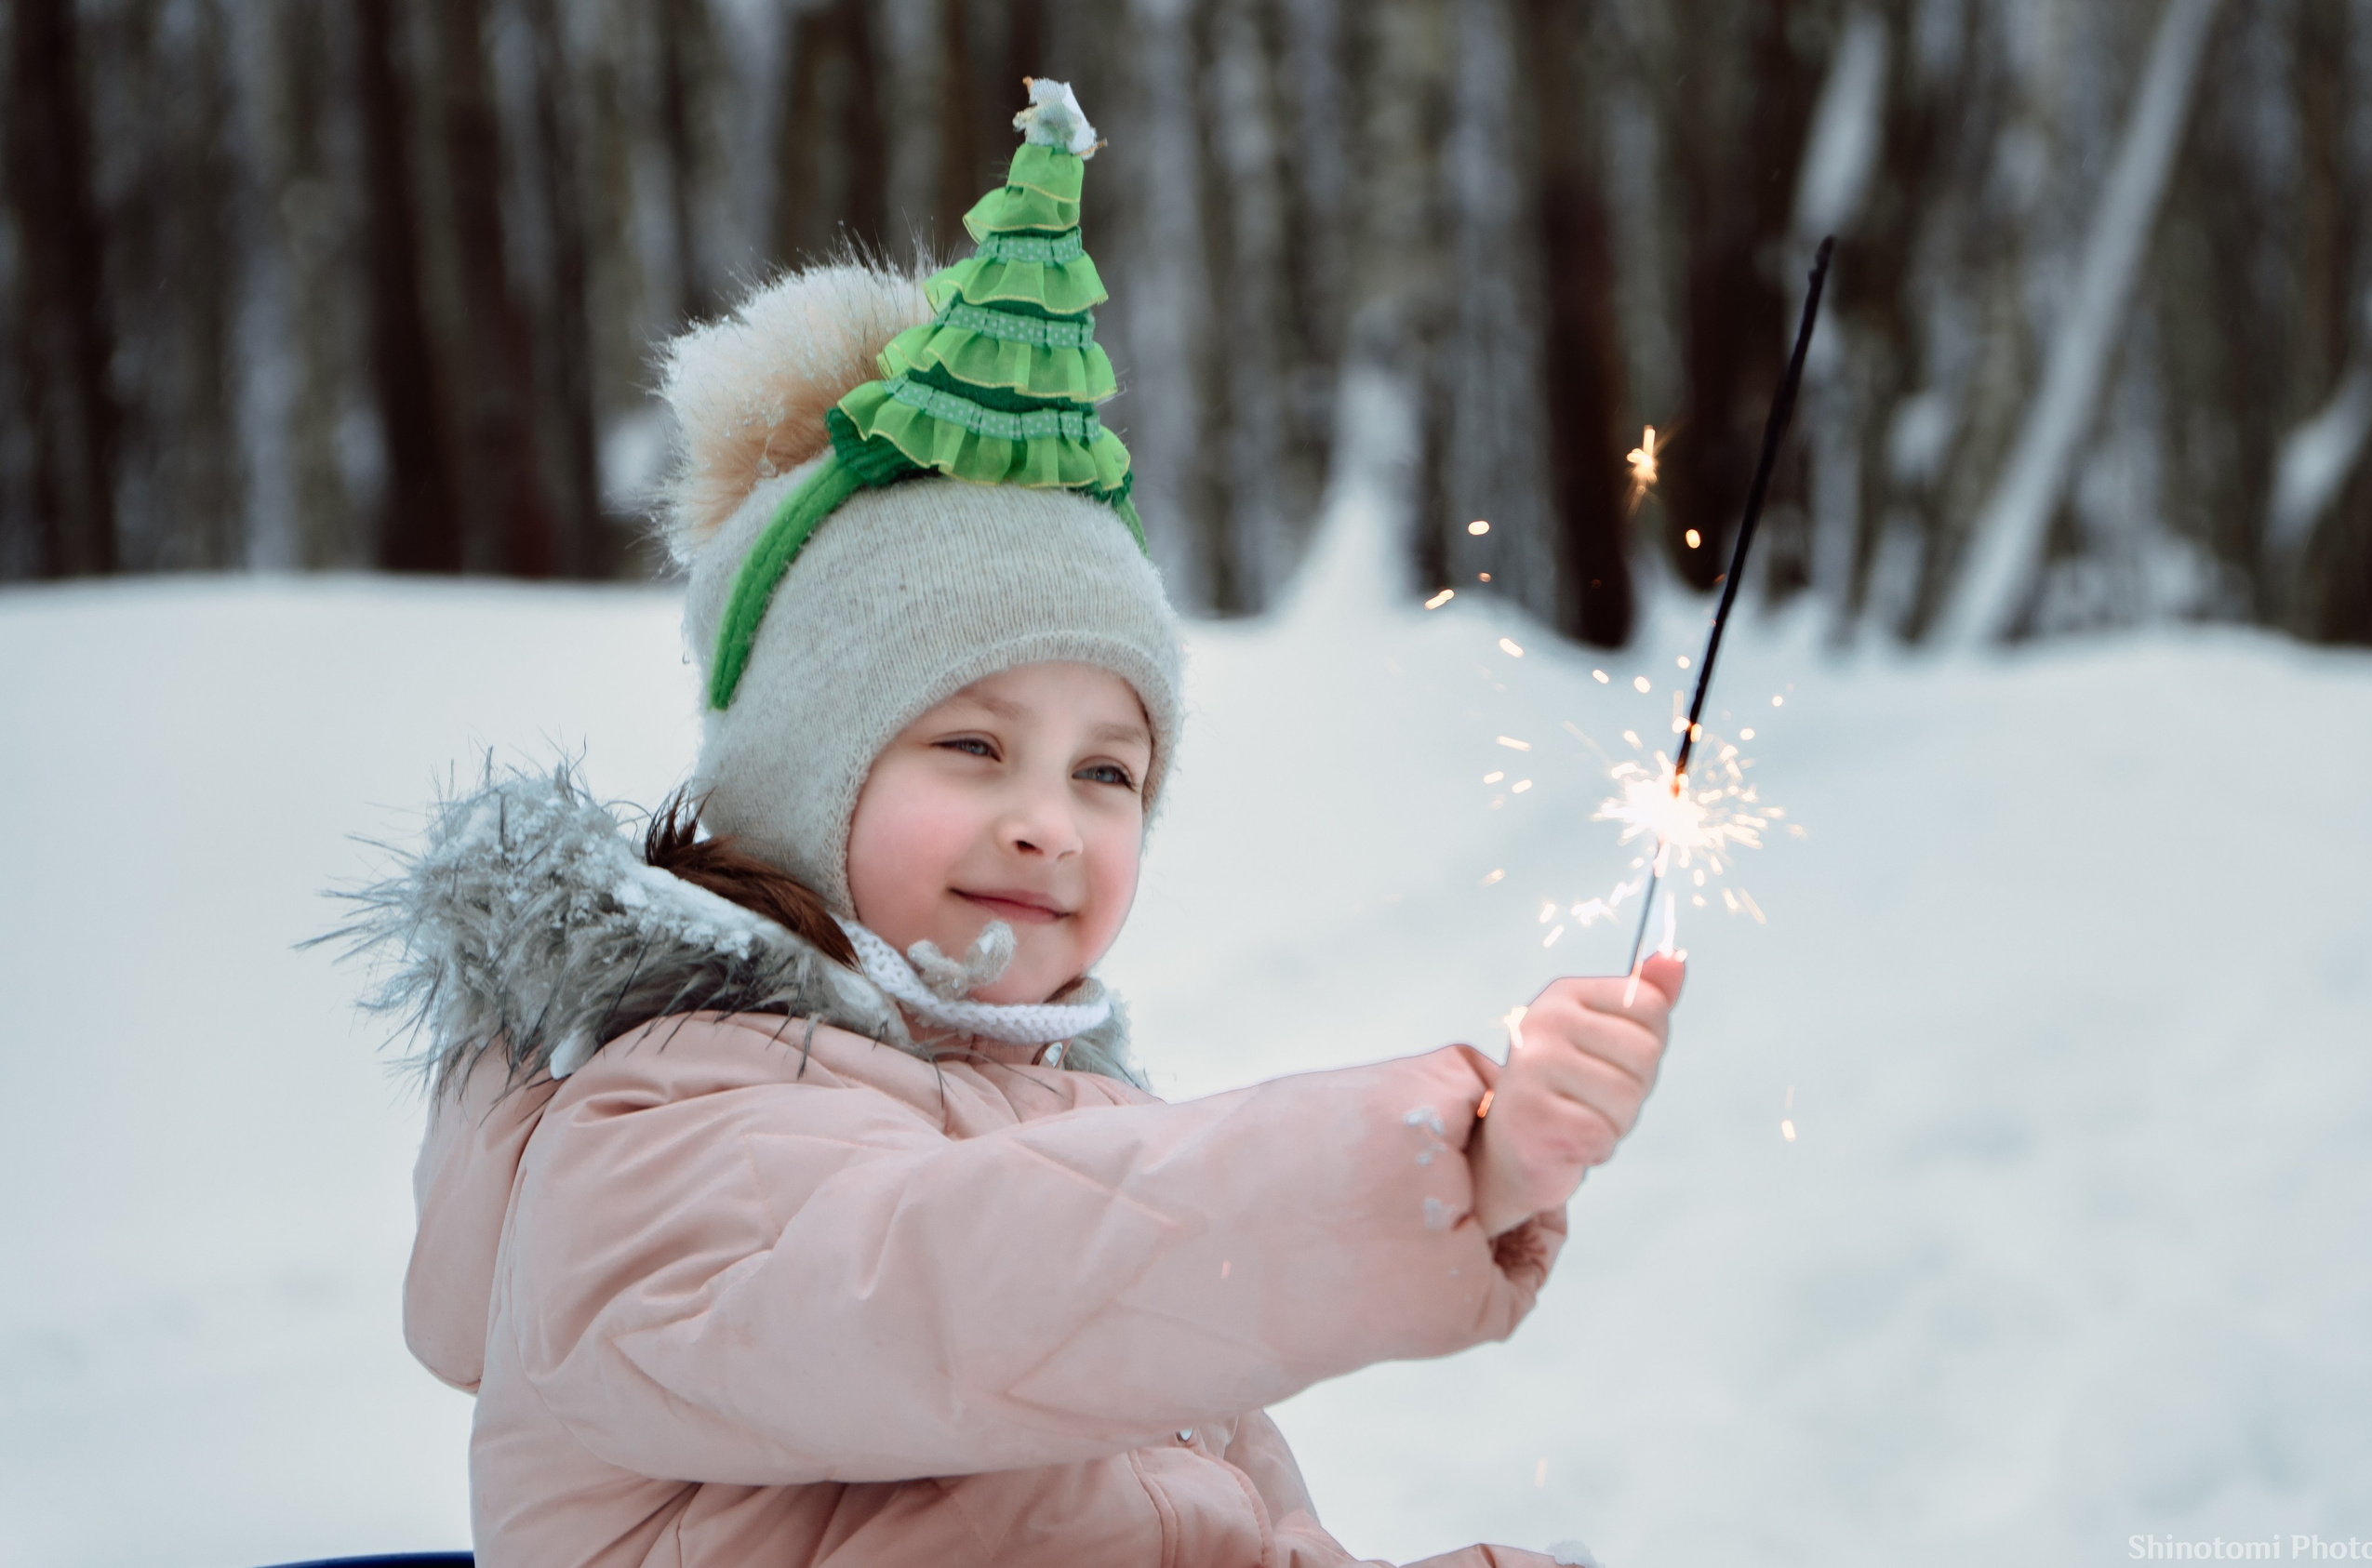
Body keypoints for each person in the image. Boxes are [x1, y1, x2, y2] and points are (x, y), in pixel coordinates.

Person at [352, 80, 1684, 1568]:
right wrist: (1434, 1160)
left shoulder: (1078, 1130)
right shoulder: (651, 1119)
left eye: (1109, 773)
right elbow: (948, 1288)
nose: (1050, 822)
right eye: (973, 744)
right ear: (802, 775)